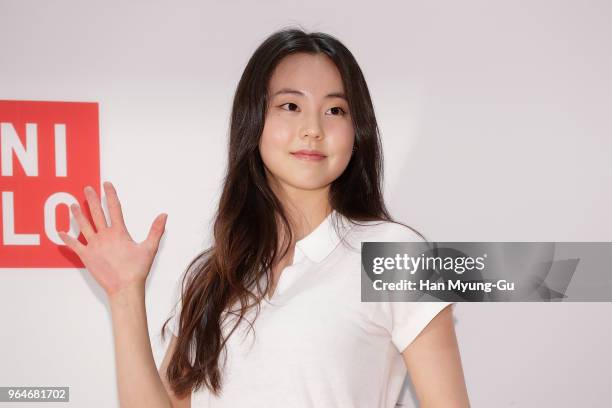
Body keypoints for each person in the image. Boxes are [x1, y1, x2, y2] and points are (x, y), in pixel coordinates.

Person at [59, 27, 469, 408]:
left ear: (357, 130)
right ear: (254, 121)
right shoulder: (211, 280)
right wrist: (125, 295)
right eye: (290, 105)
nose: (312, 128)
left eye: (336, 110)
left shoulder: (399, 255)